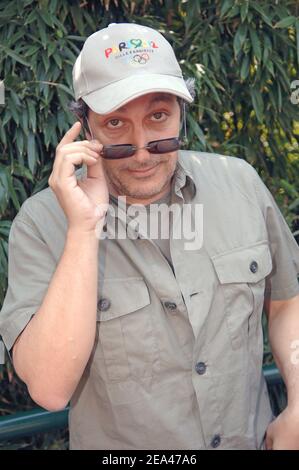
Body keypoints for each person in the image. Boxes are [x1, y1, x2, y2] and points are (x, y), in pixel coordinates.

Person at [0, 22, 299, 451]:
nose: (141, 149)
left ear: (181, 111)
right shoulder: (41, 224)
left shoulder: (240, 183)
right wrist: (84, 230)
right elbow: (50, 388)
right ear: (85, 128)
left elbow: (287, 301)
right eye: (116, 123)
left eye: (158, 117)